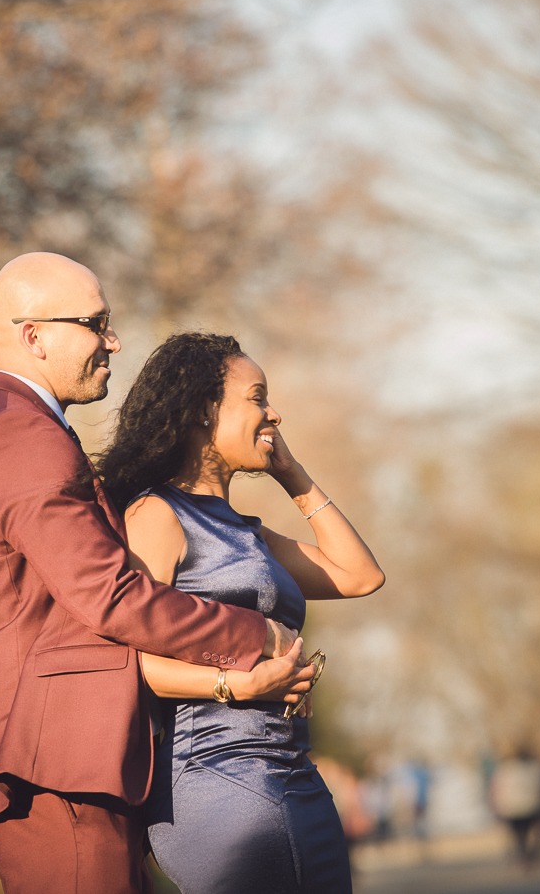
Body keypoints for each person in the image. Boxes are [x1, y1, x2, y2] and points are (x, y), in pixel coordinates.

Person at [0, 254, 310, 893]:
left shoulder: (21, 431)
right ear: (33, 335)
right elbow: (111, 595)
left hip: (71, 767)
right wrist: (256, 636)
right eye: (95, 324)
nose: (112, 341)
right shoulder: (19, 436)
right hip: (53, 770)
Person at [96, 332, 386, 894]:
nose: (273, 412)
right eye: (257, 398)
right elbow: (132, 664)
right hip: (216, 781)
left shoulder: (246, 533)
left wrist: (293, 474)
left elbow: (360, 576)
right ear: (206, 411)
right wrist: (237, 686)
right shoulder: (157, 515)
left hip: (298, 778)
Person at [490, 744, 540, 869]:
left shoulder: (507, 769)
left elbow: (497, 789)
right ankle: (528, 858)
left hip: (514, 809)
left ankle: (525, 859)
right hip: (530, 807)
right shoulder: (535, 768)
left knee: (521, 837)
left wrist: (499, 807)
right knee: (532, 835)